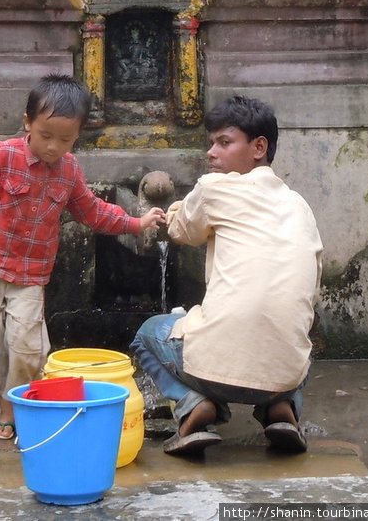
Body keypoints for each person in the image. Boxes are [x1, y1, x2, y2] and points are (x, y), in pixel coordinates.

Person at [0, 74, 166, 440]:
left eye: (65, 139)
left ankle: (11, 407)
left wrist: (136, 223)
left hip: (30, 277)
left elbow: (92, 211)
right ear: (28, 122)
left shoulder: (69, 171)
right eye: (46, 136)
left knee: (29, 347)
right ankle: (0, 403)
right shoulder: (3, 155)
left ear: (78, 135)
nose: (53, 147)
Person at [130, 95, 323, 456]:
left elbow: (183, 231)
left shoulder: (214, 188)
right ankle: (281, 408)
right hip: (284, 371)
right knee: (294, 335)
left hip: (212, 371)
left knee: (146, 334)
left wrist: (172, 210)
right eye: (211, 143)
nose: (211, 153)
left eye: (224, 142)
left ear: (258, 147)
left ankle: (193, 406)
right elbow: (309, 294)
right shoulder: (299, 206)